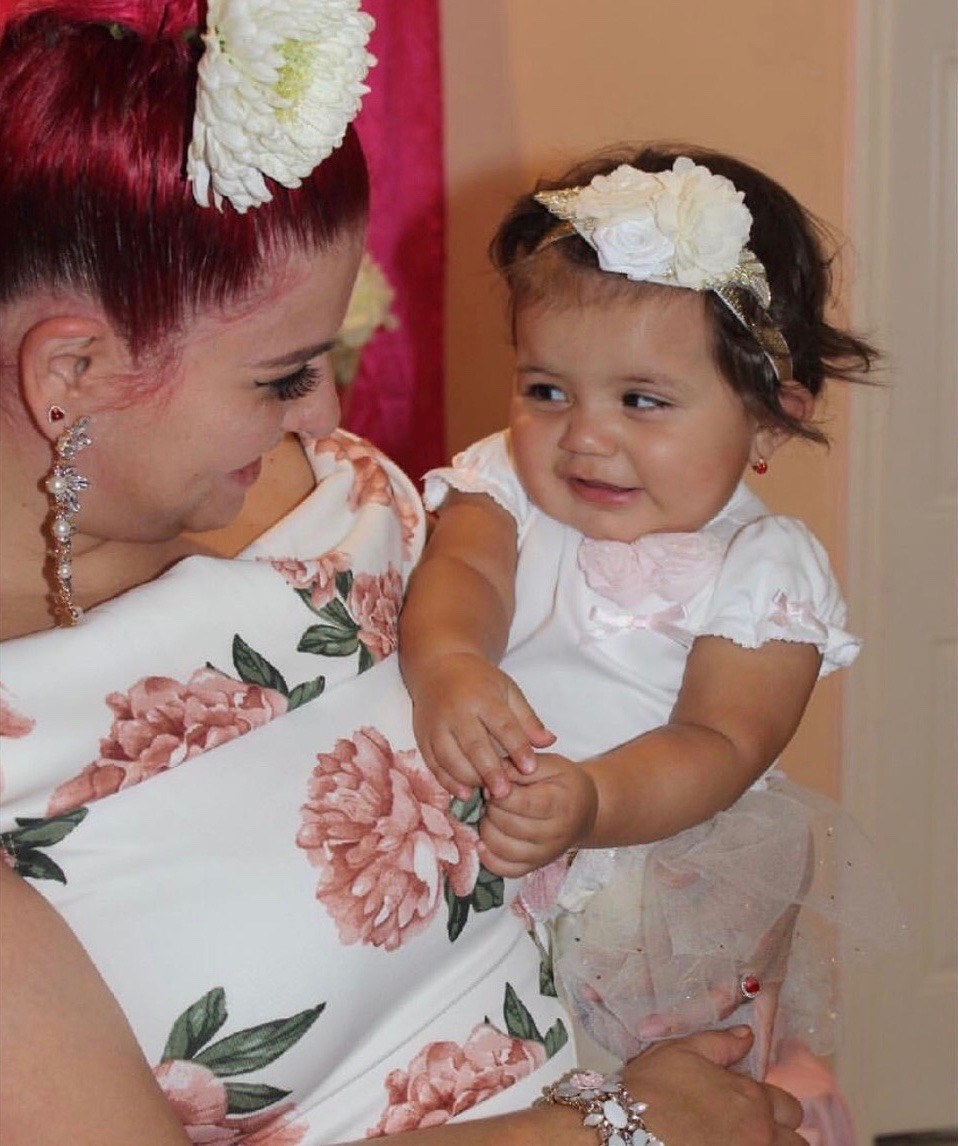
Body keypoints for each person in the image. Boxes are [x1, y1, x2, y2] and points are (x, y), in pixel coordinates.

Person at [0, 3, 806, 1143]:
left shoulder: (344, 500)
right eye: (282, 375)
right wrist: (621, 1129)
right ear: (70, 371)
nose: (327, 412)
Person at [399, 146, 898, 1084]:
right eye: (546, 389)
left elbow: (722, 739)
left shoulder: (764, 567)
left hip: (653, 895)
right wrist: (452, 661)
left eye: (642, 400)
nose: (585, 435)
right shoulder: (501, 482)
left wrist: (594, 803)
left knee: (654, 1089)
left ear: (769, 421)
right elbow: (467, 571)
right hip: (482, 862)